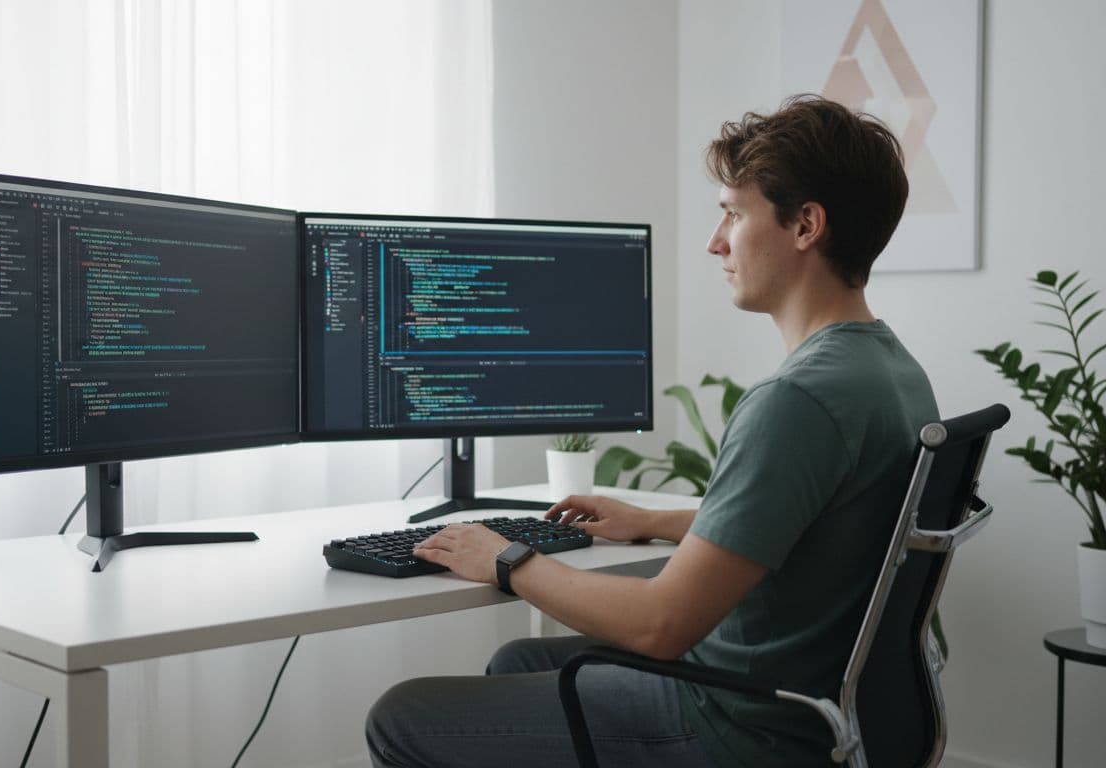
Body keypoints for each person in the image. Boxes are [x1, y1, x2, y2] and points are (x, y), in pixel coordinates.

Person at [364, 94, 938, 768]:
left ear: (807, 225)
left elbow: (660, 624)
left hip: (740, 722)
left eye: (733, 212)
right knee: (517, 657)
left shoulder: (798, 399)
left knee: (400, 717)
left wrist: (503, 557)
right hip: (814, 701)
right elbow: (820, 526)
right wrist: (655, 522)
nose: (715, 240)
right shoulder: (890, 369)